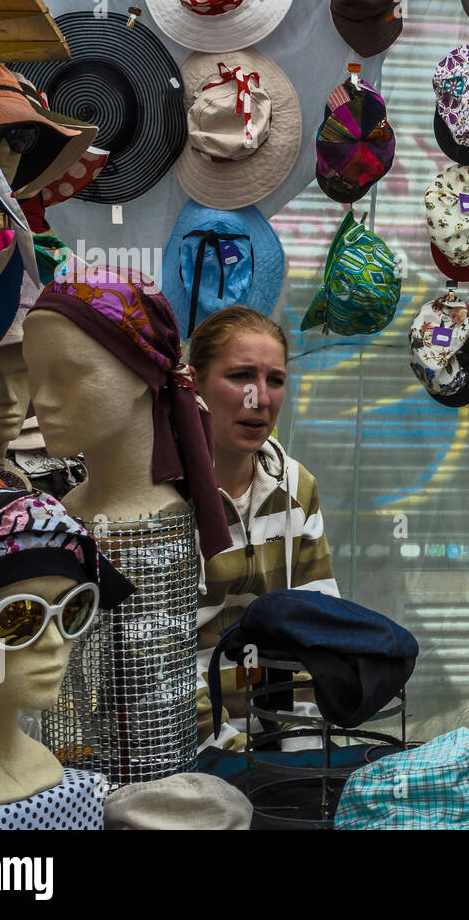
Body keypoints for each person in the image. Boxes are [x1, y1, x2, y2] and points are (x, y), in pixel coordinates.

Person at [187, 306, 340, 746]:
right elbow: (148, 661)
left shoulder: (298, 486)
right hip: (181, 744)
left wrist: (301, 740)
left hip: (282, 732)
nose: (261, 398)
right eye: (240, 377)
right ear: (192, 384)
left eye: (274, 380)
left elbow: (317, 627)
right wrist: (229, 749)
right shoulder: (160, 496)